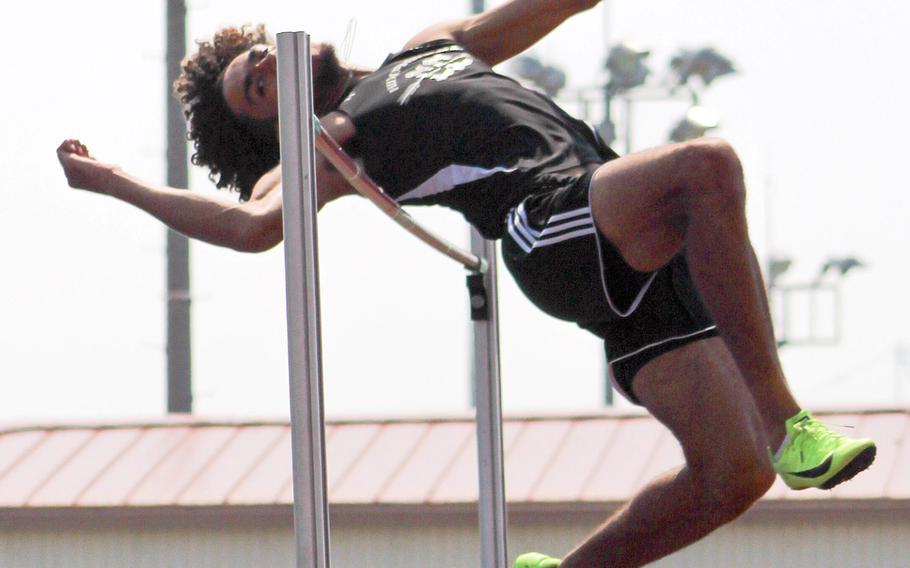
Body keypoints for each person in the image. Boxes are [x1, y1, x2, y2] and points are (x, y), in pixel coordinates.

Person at [56, 1, 877, 566]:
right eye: (257, 90)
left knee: (733, 475)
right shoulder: (332, 140)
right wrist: (118, 183)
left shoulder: (430, 44)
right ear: (275, 124)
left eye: (257, 59)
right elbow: (253, 227)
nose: (267, 67)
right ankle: (792, 423)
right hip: (552, 224)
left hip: (625, 231)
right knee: (706, 168)